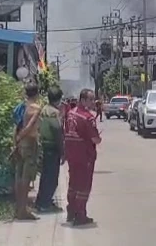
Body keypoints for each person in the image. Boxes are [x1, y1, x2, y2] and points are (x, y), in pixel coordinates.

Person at [64, 88, 101, 226]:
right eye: (90, 99)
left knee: (73, 183)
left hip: (71, 154)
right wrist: (98, 139)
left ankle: (71, 211)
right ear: (83, 100)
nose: (93, 102)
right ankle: (80, 215)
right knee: (84, 185)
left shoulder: (70, 113)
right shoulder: (87, 117)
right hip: (85, 155)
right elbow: (95, 139)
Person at [12, 83, 43, 220]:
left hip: (20, 145)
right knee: (26, 179)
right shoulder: (36, 108)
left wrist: (16, 142)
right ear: (37, 93)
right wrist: (22, 136)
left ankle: (19, 208)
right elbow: (30, 126)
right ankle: (23, 210)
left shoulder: (21, 107)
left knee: (18, 176)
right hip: (30, 143)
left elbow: (16, 126)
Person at [34, 87, 65, 213]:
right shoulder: (54, 113)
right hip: (52, 147)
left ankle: (41, 201)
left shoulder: (44, 109)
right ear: (59, 99)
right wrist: (62, 151)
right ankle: (45, 204)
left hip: (44, 145)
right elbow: (57, 131)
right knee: (51, 178)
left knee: (45, 177)